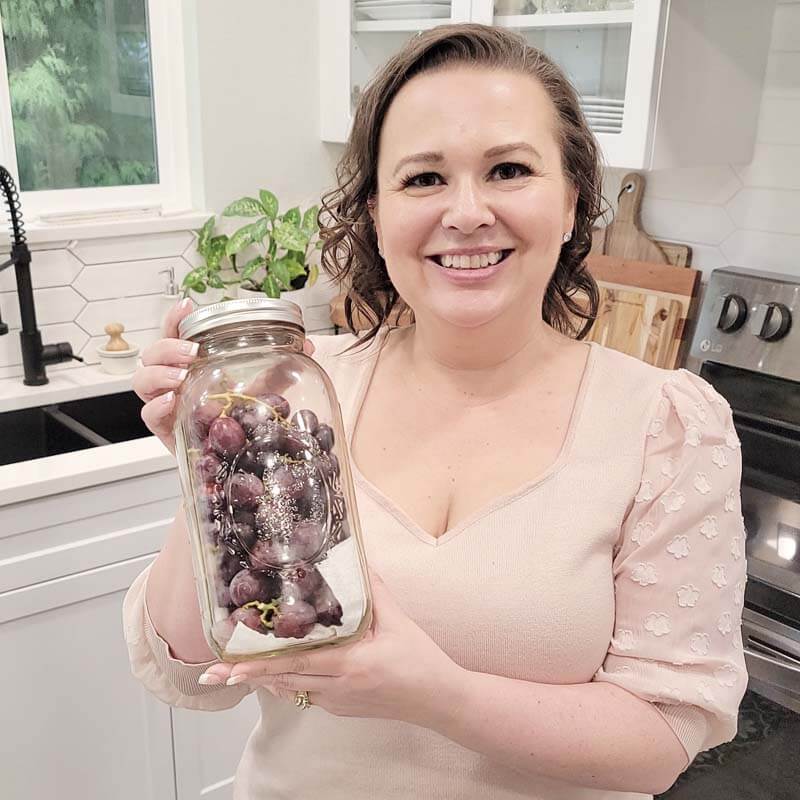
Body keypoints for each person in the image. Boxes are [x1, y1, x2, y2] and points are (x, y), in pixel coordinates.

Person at [124, 23, 747, 800]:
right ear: (377, 217)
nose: (466, 212)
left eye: (509, 169)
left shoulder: (665, 426)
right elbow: (195, 673)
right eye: (423, 179)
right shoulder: (296, 398)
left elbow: (662, 739)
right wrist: (203, 460)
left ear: (571, 206)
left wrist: (441, 695)